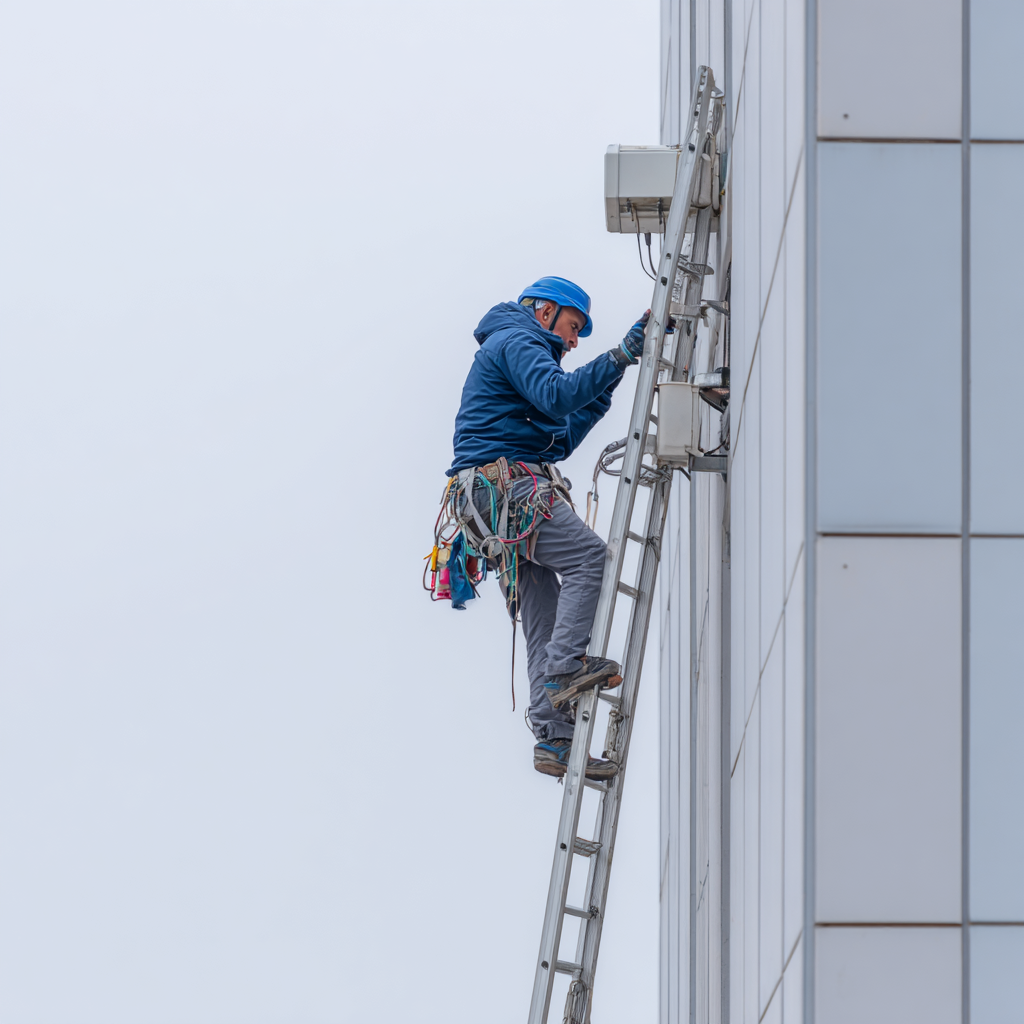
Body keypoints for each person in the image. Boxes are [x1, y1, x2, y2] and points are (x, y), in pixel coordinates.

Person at [447, 276, 649, 780]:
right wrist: (618, 356)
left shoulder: (523, 353)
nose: (574, 340)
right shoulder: (516, 339)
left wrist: (609, 380)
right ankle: (563, 670)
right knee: (590, 559)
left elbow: (557, 442)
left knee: (543, 613)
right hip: (509, 490)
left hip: (494, 502)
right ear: (544, 311)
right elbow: (558, 398)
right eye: (573, 326)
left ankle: (553, 737)